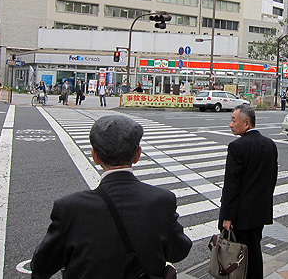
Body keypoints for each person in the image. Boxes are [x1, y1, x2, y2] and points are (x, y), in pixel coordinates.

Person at [31, 115, 192, 279]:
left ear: (95, 156)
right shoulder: (162, 200)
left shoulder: (69, 208)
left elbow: (41, 265)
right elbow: (179, 251)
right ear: (137, 155)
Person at [219, 104, 278, 278]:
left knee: (238, 254)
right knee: (254, 251)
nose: (230, 124)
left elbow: (232, 184)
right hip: (259, 212)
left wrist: (227, 216)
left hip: (240, 215)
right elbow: (271, 179)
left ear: (246, 123)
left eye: (233, 120)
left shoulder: (237, 147)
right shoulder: (270, 145)